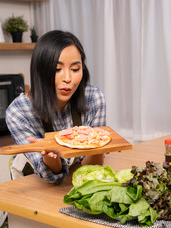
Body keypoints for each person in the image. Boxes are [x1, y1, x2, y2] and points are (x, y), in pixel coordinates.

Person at [6, 30, 106, 185]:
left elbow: (91, 167)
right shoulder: (18, 113)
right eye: (57, 69)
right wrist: (49, 156)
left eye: (74, 69)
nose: (67, 78)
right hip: (31, 181)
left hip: (73, 179)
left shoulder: (93, 98)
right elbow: (52, 177)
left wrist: (99, 146)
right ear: (41, 70)